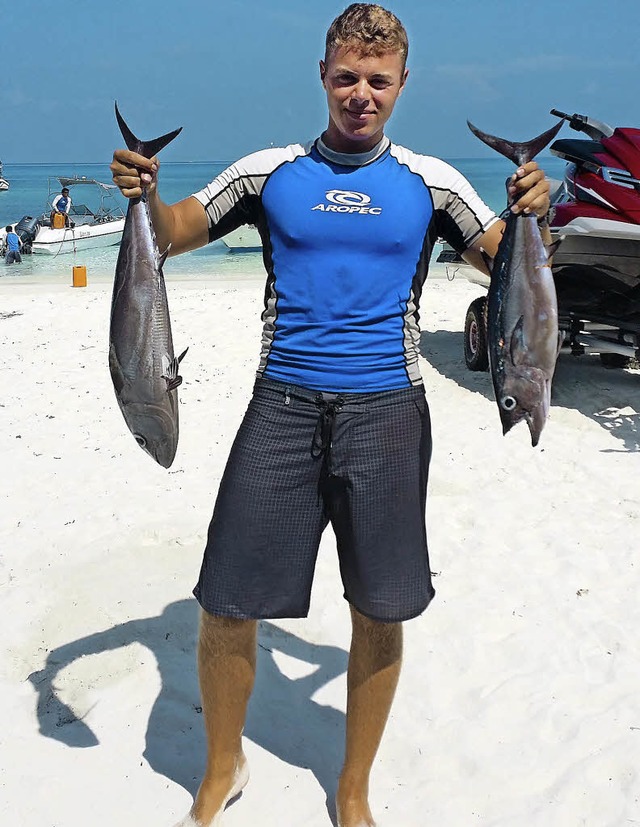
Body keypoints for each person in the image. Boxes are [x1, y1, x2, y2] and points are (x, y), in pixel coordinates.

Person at [110, 4, 551, 826]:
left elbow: (513, 262)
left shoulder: (431, 182)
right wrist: (148, 192)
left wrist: (537, 208)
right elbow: (170, 234)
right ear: (322, 75)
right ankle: (223, 766)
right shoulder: (268, 172)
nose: (361, 95)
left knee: (380, 607)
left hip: (388, 409)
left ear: (402, 85)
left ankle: (352, 788)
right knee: (226, 599)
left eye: (378, 81)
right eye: (346, 77)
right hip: (280, 403)